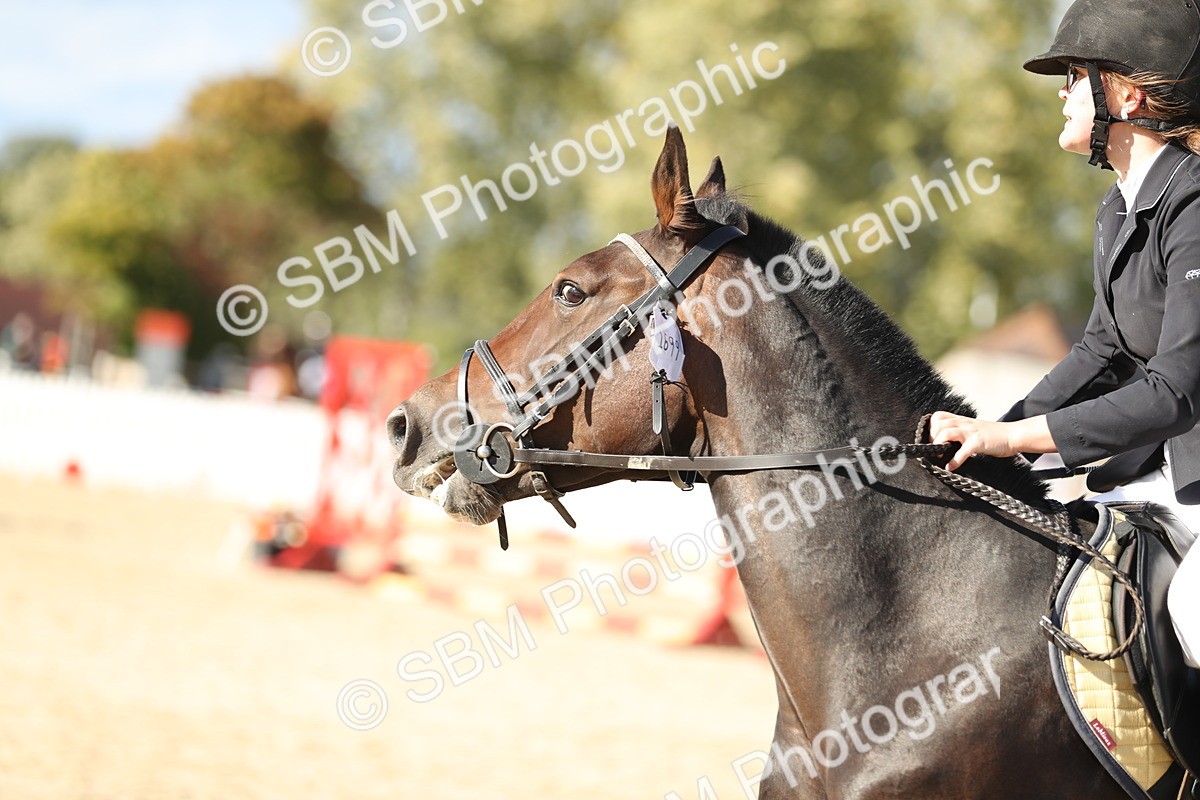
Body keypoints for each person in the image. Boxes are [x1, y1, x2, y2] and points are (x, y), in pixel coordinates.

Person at [928, 0, 1200, 668]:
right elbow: (1102, 351)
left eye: (1076, 75)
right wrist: (993, 439)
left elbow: (1177, 391)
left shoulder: (1196, 204)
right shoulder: (1117, 208)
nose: (1063, 92)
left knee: (1193, 612)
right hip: (1148, 476)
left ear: (1128, 95)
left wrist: (1018, 439)